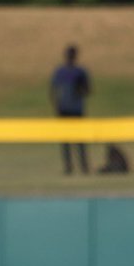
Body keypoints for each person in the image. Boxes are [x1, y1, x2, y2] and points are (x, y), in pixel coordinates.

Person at [50, 44, 91, 175]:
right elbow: (53, 90)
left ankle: (83, 166)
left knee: (79, 140)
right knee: (66, 141)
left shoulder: (80, 72)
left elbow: (88, 90)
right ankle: (69, 167)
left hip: (76, 109)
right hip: (64, 109)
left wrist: (80, 89)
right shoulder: (60, 72)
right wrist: (56, 105)